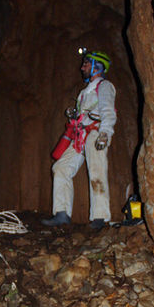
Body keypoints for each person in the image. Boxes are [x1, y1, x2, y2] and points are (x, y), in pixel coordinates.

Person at [42, 49, 116, 230]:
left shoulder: (104, 86)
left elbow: (108, 111)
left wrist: (105, 133)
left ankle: (100, 217)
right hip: (80, 136)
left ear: (97, 66)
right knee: (60, 168)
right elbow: (80, 118)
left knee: (97, 171)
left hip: (95, 134)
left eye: (86, 63)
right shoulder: (84, 93)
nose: (82, 67)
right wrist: (74, 116)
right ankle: (62, 213)